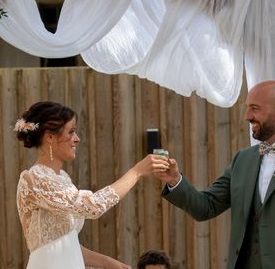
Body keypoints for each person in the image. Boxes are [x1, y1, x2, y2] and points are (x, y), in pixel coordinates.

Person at [157, 80, 275, 269]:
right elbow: (206, 206)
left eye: (255, 109)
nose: (247, 116)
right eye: (247, 108)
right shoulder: (242, 160)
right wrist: (175, 180)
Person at [16, 101, 170, 269]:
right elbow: (93, 206)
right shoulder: (35, 178)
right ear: (50, 137)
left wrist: (112, 264)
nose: (77, 139)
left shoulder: (62, 179)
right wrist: (136, 172)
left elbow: (68, 245)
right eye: (71, 132)